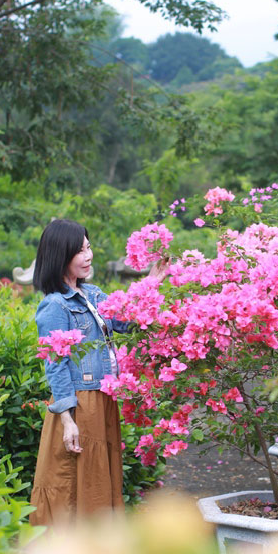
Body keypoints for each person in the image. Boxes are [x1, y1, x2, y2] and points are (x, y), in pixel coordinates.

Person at [29, 219, 166, 525]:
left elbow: (125, 319)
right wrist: (67, 418)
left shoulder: (92, 295)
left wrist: (152, 282)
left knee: (97, 480)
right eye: (80, 250)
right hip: (79, 404)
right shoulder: (54, 305)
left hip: (102, 400)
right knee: (74, 481)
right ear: (60, 255)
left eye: (88, 247)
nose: (88, 255)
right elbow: (56, 363)